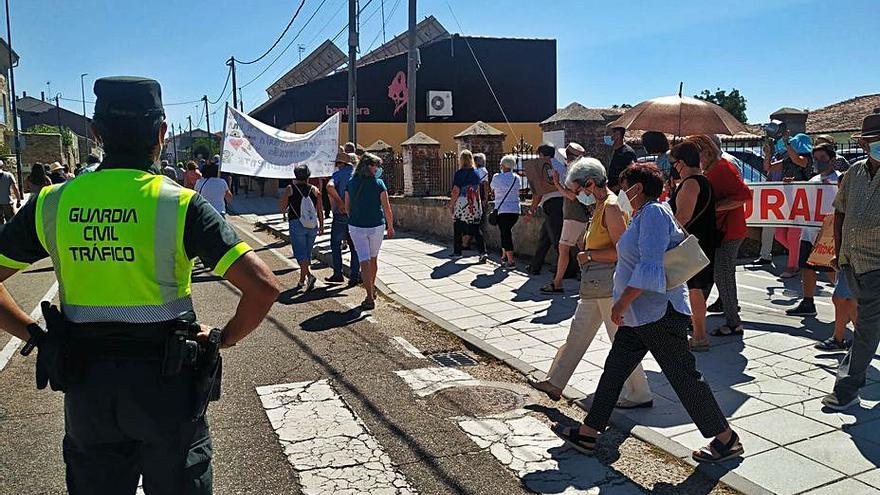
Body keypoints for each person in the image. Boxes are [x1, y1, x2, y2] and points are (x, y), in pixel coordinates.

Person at [0, 76, 280, 493]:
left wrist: (36, 336)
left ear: (95, 134)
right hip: (168, 391)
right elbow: (263, 287)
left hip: (88, 393)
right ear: (162, 133)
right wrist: (223, 338)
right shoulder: (180, 203)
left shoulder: (52, 202)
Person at [551, 164, 743, 464]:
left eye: (624, 184)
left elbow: (649, 267)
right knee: (614, 371)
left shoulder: (653, 213)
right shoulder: (644, 214)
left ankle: (726, 439)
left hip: (659, 315)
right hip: (641, 316)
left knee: (684, 378)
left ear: (637, 188)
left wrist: (621, 303)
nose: (620, 189)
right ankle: (588, 433)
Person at [531, 158, 653, 408]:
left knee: (619, 341)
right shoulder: (602, 206)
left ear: (590, 183)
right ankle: (555, 382)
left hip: (608, 283)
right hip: (596, 283)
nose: (578, 195)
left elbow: (623, 250)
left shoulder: (610, 206)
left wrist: (590, 254)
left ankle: (639, 392)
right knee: (578, 334)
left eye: (578, 190)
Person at [824, 112, 880, 411]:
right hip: (853, 261)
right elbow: (841, 213)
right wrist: (840, 251)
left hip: (877, 265)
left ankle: (846, 388)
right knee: (870, 323)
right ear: (864, 144)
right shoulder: (855, 173)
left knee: (867, 328)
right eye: (873, 141)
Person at [688, 135, 751, 336]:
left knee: (723, 276)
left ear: (706, 152)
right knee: (713, 273)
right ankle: (696, 316)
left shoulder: (722, 168)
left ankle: (733, 322)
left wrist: (714, 207)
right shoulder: (713, 169)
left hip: (729, 231)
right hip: (722, 231)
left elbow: (744, 196)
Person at [668, 142, 717, 351]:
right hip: (702, 241)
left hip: (690, 244)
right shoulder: (703, 181)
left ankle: (699, 336)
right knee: (694, 290)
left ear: (681, 162)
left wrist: (665, 234)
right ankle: (697, 333)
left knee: (694, 290)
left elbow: (683, 217)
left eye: (675, 163)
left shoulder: (690, 184)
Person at [785, 143, 841, 318]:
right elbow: (801, 205)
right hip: (809, 233)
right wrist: (789, 189)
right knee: (807, 268)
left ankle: (849, 302)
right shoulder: (812, 181)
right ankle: (808, 302)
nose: (818, 162)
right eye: (816, 159)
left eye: (822, 158)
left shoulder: (840, 180)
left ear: (832, 159)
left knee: (830, 269)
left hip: (828, 234)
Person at [346, 153, 395, 310]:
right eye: (376, 166)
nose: (378, 169)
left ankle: (369, 295)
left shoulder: (351, 183)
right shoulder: (379, 183)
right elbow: (386, 207)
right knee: (373, 259)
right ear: (369, 166)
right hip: (376, 226)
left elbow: (347, 207)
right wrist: (390, 226)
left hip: (357, 226)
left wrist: (354, 217)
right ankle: (371, 290)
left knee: (364, 260)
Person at [764, 132, 814, 278]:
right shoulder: (787, 160)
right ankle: (800, 256)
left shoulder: (806, 159)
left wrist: (786, 142)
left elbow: (796, 159)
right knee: (779, 234)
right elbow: (768, 167)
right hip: (786, 202)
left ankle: (792, 266)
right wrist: (768, 154)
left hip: (801, 202)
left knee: (793, 235)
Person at [542, 142, 589, 294]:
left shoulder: (575, 173)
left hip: (573, 216)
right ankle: (588, 277)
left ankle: (557, 283)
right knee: (583, 249)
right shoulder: (582, 172)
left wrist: (557, 183)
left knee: (564, 249)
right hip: (580, 216)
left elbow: (571, 196)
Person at [280, 164, 324, 292]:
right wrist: (321, 225)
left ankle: (310, 276)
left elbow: (282, 207)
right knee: (306, 254)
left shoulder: (290, 188)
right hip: (312, 225)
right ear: (308, 176)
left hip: (297, 223)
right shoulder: (315, 190)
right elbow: (319, 209)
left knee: (300, 254)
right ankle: (301, 280)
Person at [525, 143, 567, 275]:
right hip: (561, 201)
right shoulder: (561, 166)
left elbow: (538, 192)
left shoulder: (542, 167)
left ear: (542, 155)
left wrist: (532, 210)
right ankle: (535, 266)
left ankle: (567, 269)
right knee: (545, 237)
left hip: (551, 204)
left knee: (556, 238)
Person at [326, 151, 360, 285]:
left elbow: (329, 186)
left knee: (335, 244)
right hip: (355, 215)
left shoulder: (337, 175)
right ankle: (354, 276)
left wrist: (340, 202)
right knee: (354, 246)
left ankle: (338, 274)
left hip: (340, 215)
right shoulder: (357, 175)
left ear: (341, 164)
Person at [449, 150, 487, 261]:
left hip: (462, 203)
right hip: (474, 202)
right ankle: (482, 252)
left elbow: (456, 190)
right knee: (476, 228)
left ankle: (458, 252)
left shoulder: (459, 174)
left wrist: (451, 204)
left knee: (458, 228)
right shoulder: (476, 173)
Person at [489, 155, 522, 269]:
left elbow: (492, 188)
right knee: (505, 232)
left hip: (502, 210)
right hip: (515, 210)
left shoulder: (497, 177)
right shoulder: (516, 178)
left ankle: (511, 261)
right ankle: (504, 256)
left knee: (505, 234)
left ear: (502, 165)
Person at [605, 126, 636, 193]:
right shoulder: (612, 151)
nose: (605, 136)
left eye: (607, 133)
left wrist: (616, 188)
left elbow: (632, 175)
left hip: (622, 194)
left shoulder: (627, 153)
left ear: (618, 134)